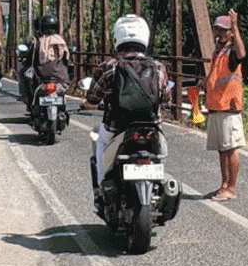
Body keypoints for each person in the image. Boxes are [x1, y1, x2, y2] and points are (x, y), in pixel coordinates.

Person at [81, 14, 172, 187]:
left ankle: (101, 185)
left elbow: (93, 97)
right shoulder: (158, 67)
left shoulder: (110, 66)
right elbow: (167, 101)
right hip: (151, 125)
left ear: (117, 37)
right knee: (160, 150)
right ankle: (159, 182)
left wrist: (88, 102)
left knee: (100, 142)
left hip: (117, 126)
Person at [204, 9, 246, 202]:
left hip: (228, 107)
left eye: (224, 31)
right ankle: (224, 185)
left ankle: (232, 188)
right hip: (216, 107)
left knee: (231, 148)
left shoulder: (231, 52)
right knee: (222, 149)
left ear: (230, 33)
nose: (220, 34)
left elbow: (242, 53)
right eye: (217, 30)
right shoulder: (218, 52)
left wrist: (236, 27)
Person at [31, 14, 70, 105]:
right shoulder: (61, 41)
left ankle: (30, 102)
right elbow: (66, 58)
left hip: (42, 76)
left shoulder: (38, 42)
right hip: (60, 77)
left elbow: (32, 58)